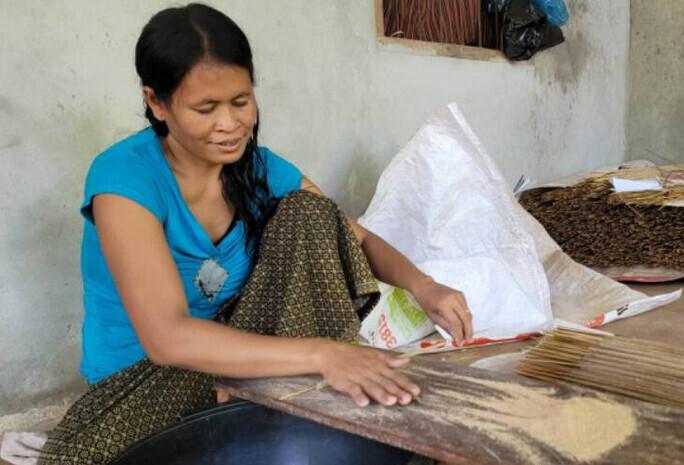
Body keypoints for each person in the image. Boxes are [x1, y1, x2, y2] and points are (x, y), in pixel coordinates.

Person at [39, 4, 472, 464]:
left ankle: (284, 397)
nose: (229, 125)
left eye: (241, 101)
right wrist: (324, 355)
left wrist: (423, 285)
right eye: (205, 109)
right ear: (156, 102)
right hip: (147, 379)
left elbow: (356, 238)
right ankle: (287, 393)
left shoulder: (258, 169)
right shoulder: (125, 179)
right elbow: (168, 340)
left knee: (311, 214)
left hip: (247, 357)